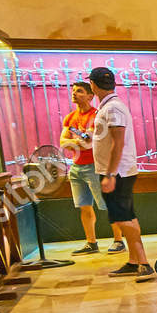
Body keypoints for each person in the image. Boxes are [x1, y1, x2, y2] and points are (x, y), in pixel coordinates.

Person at [88, 66, 151, 280]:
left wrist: (110, 174)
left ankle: (144, 263)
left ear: (93, 85)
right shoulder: (108, 107)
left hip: (118, 172)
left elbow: (118, 142)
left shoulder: (113, 108)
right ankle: (134, 261)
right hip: (116, 170)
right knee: (125, 216)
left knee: (124, 218)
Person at [58, 82, 113, 255]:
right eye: (73, 91)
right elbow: (62, 142)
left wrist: (74, 142)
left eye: (79, 91)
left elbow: (88, 144)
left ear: (90, 96)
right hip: (76, 167)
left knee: (107, 205)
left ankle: (119, 240)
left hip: (95, 166)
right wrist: (76, 143)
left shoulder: (96, 115)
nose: (74, 94)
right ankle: (91, 243)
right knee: (84, 207)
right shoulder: (70, 117)